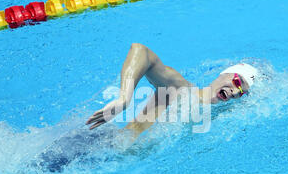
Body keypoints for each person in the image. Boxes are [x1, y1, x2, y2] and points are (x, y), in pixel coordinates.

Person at [86, 43, 258, 138]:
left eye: (241, 92)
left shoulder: (212, 117)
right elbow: (141, 51)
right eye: (237, 81)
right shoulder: (181, 89)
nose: (236, 91)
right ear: (224, 74)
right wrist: (124, 99)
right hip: (98, 145)